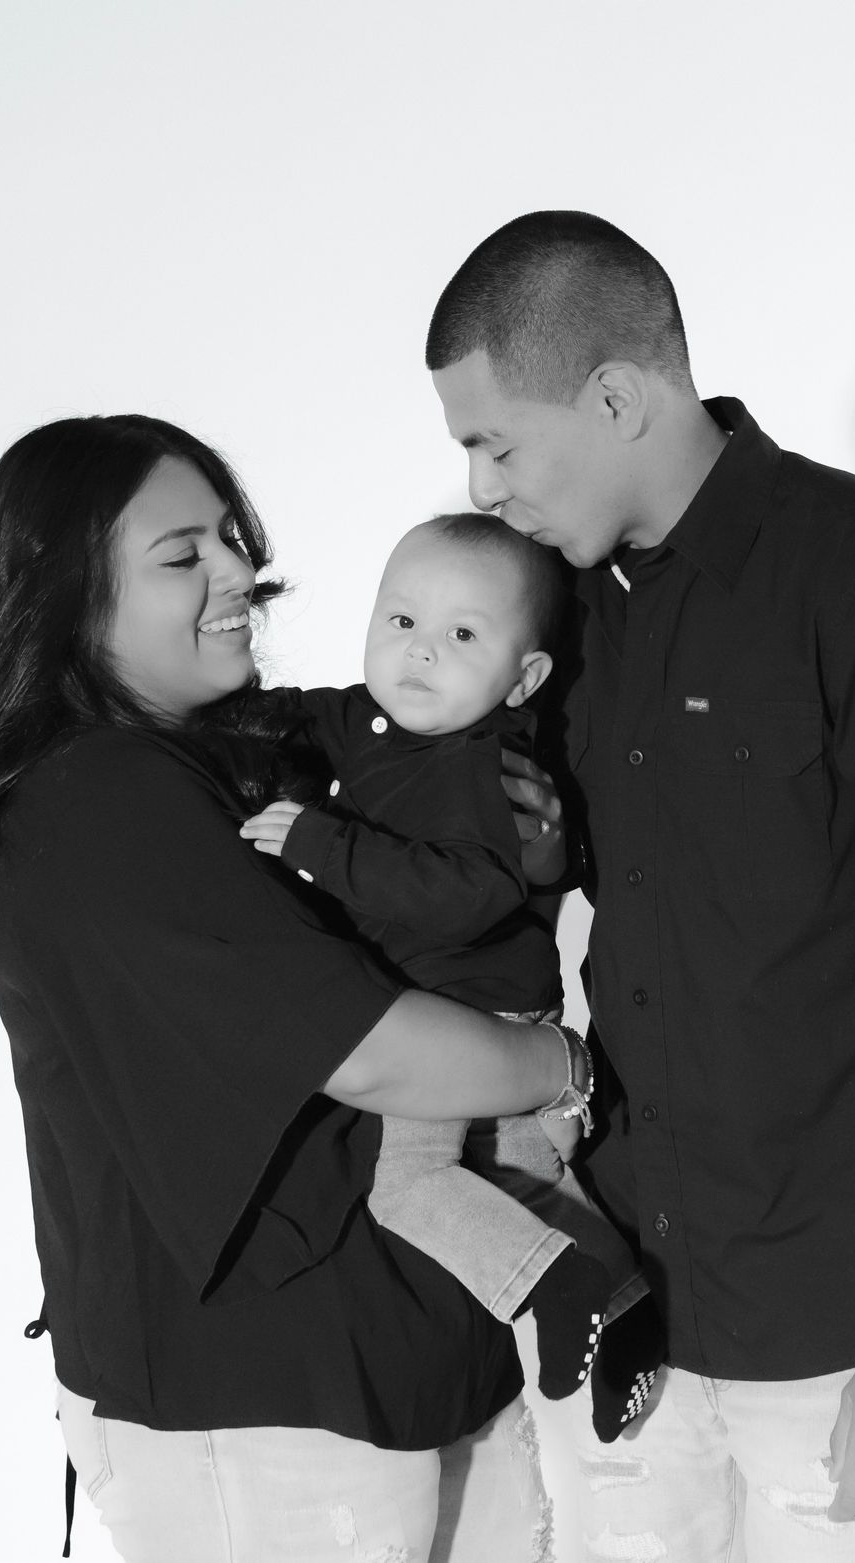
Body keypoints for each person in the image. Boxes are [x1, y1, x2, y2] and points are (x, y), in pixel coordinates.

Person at [425, 212, 855, 1561]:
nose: (482, 487)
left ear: (615, 395)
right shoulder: (560, 614)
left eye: (497, 442)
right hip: (625, 1309)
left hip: (838, 1336)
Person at [0, 414, 591, 1562]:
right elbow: (372, 1048)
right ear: (66, 596)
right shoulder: (101, 798)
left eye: (231, 539)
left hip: (402, 1365)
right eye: (183, 555)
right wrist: (563, 1063)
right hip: (256, 1414)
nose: (241, 572)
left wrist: (517, 851)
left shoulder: (236, 757)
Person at [235, 513, 663, 1440]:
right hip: (462, 1004)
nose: (419, 655)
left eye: (461, 637)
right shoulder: (378, 718)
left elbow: (464, 894)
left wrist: (323, 844)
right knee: (521, 1166)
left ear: (524, 678)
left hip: (470, 1005)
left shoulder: (484, 765)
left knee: (411, 1186)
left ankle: (551, 1285)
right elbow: (303, 715)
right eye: (400, 622)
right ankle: (626, 1306)